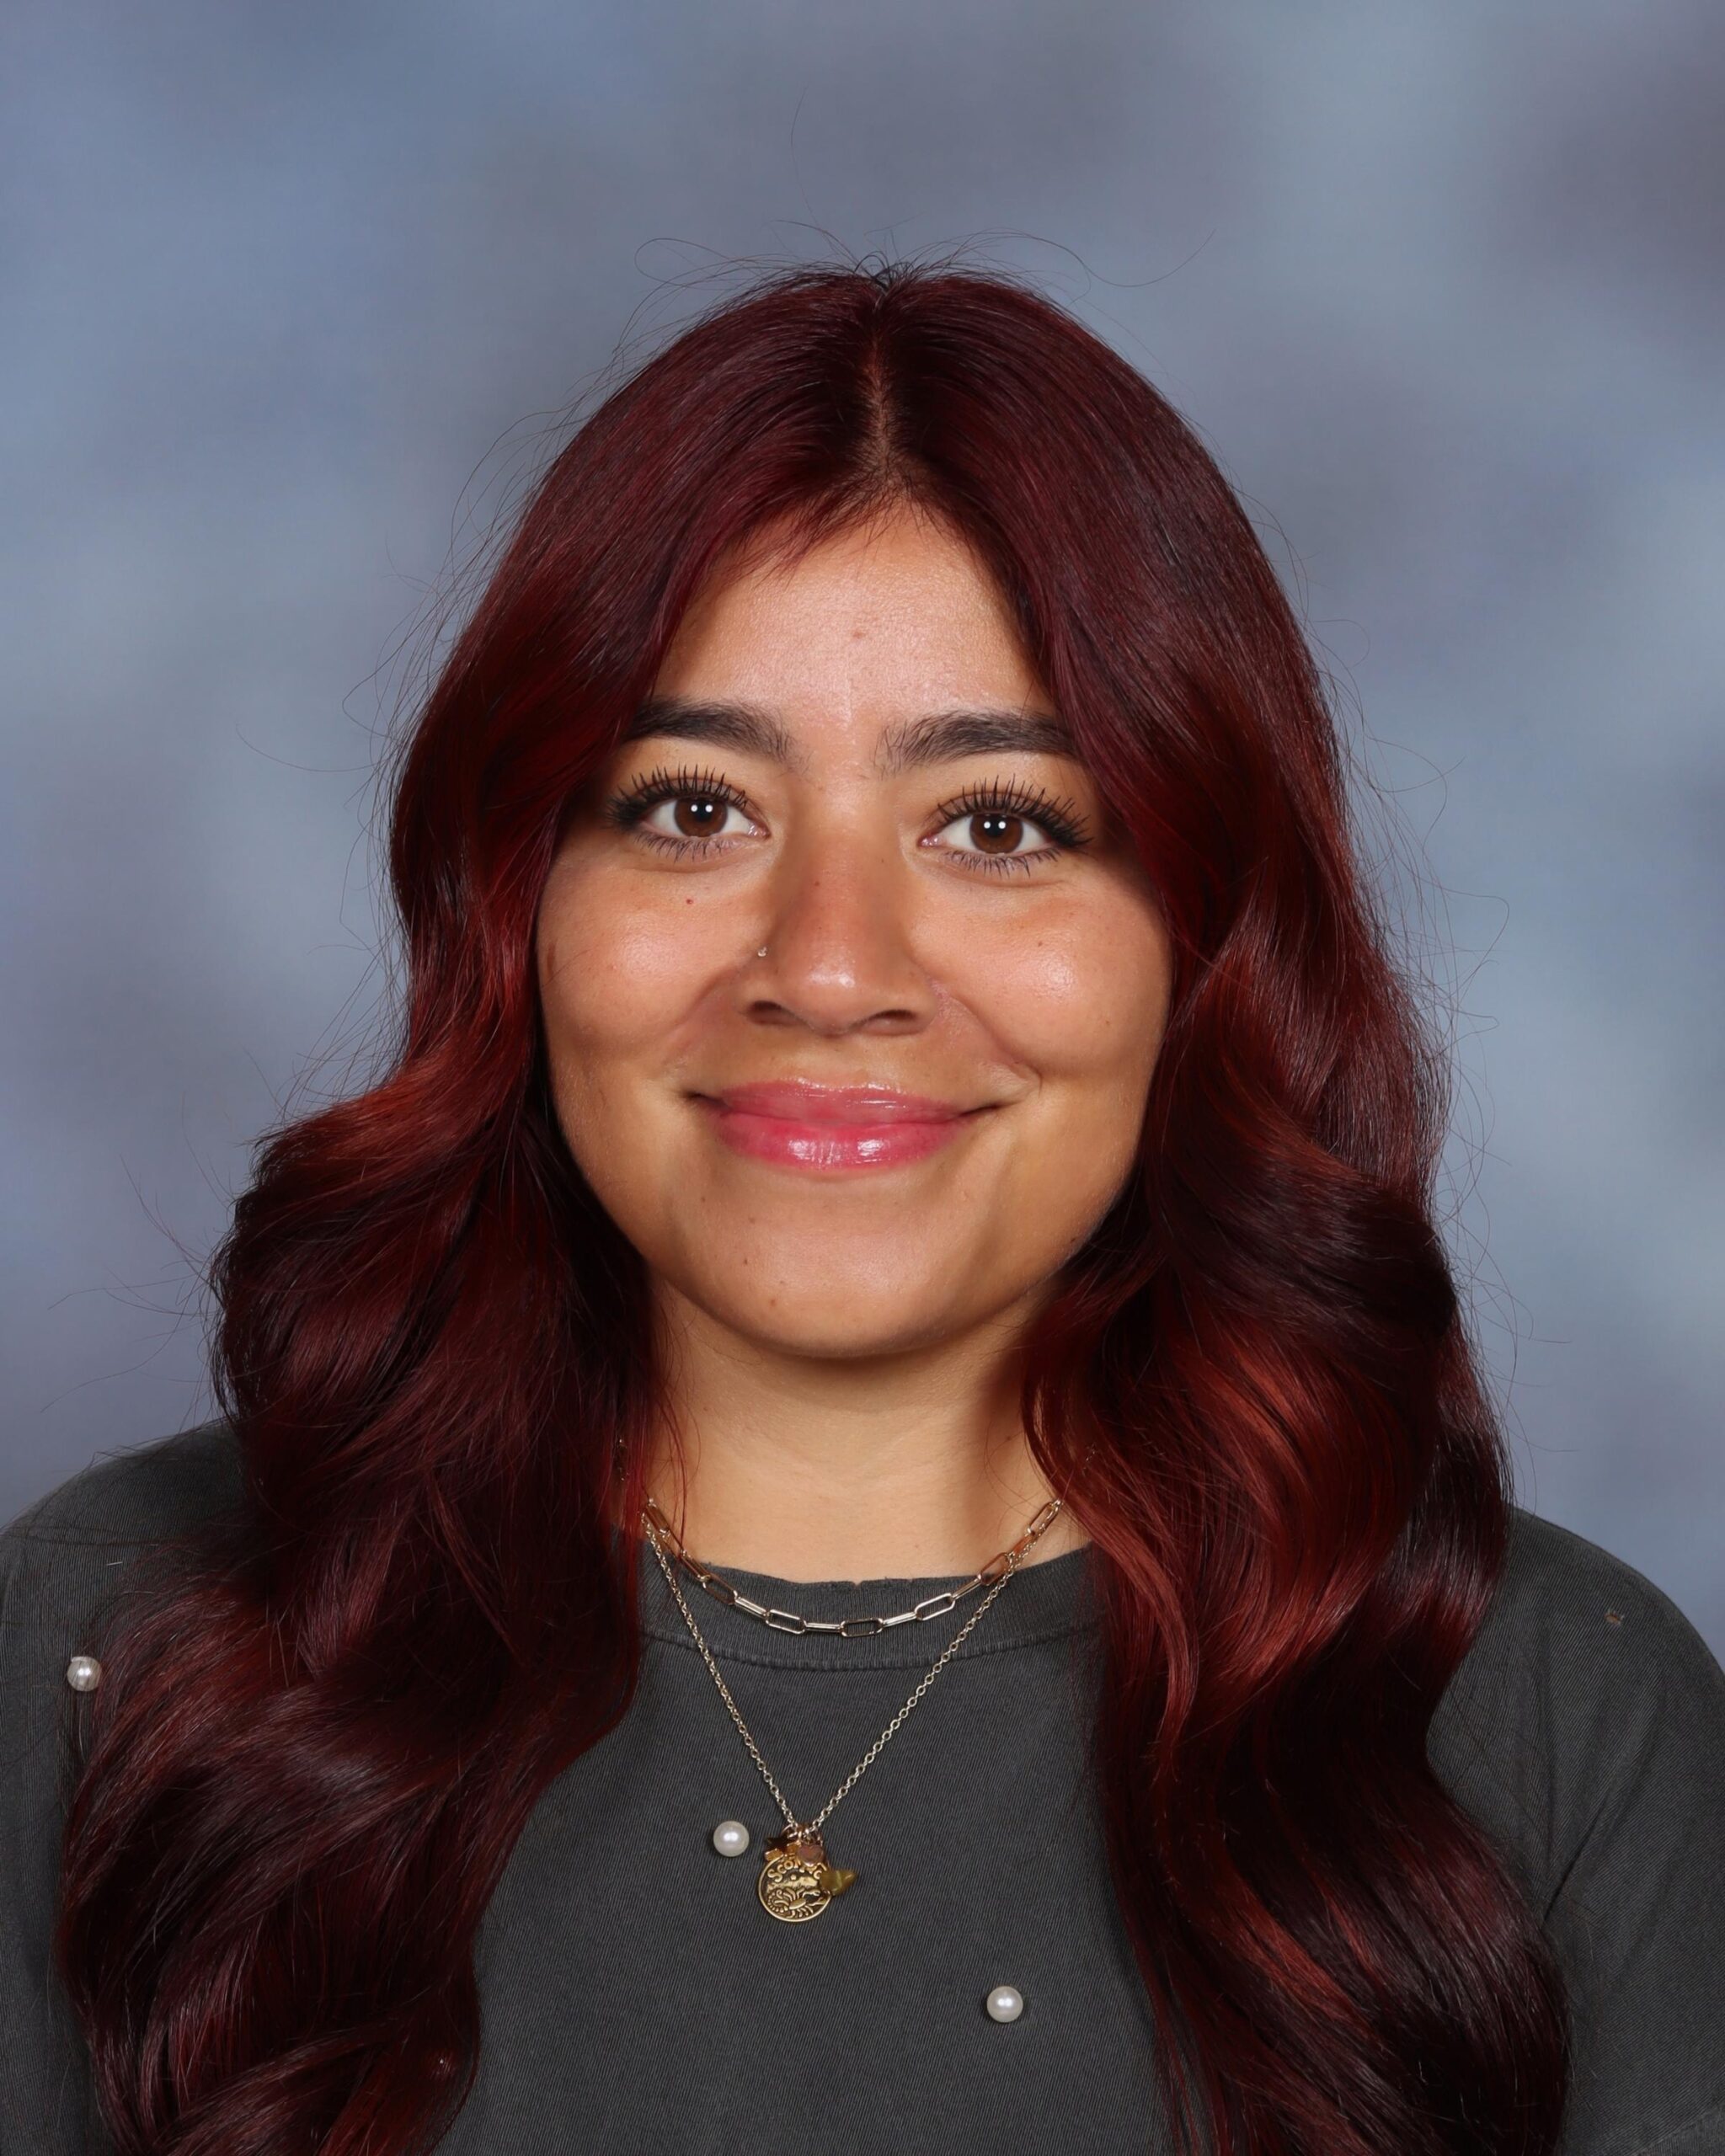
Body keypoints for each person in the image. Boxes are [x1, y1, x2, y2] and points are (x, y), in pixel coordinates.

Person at [2, 255, 1722, 2156]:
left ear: (1204, 943)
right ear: (517, 903)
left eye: (998, 824)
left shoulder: (1549, 1716)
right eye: (693, 809)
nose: (829, 967)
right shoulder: (123, 1646)